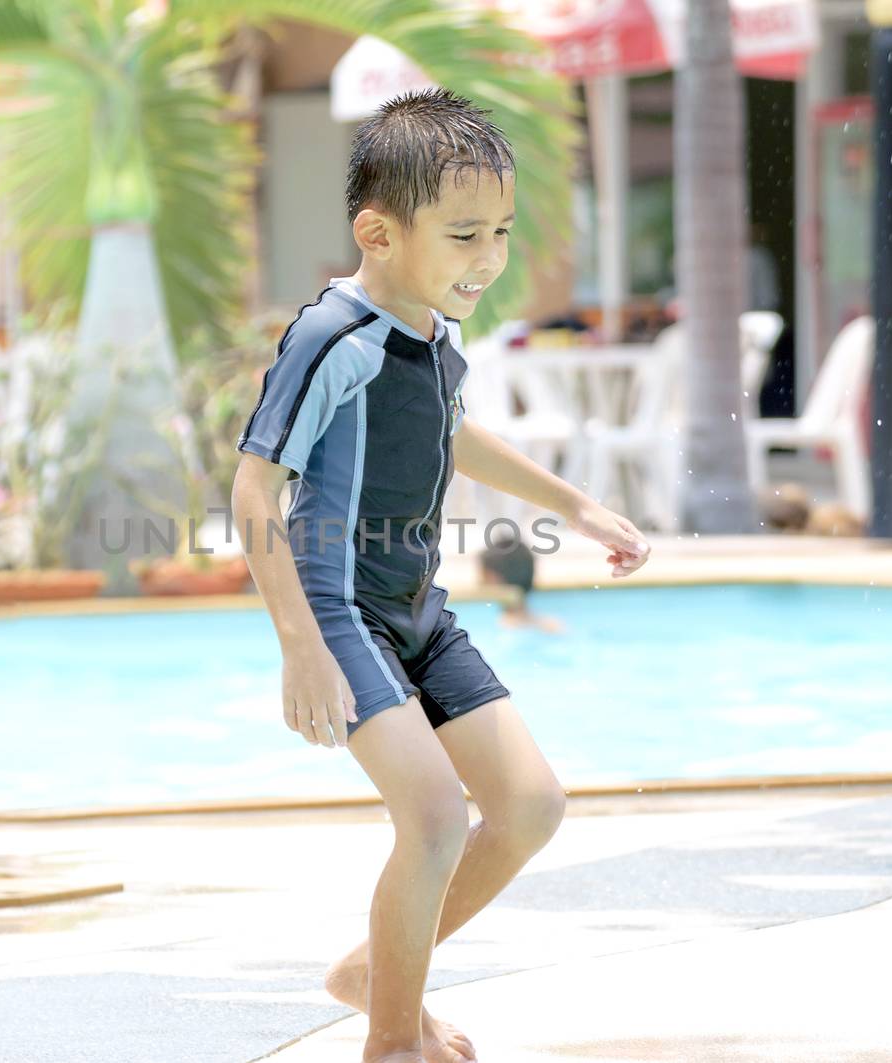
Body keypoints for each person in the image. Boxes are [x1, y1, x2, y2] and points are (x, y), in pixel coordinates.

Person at [229, 88, 650, 1063]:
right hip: (341, 615)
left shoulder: (432, 331)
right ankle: (391, 1040)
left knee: (531, 806)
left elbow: (455, 435)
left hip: (418, 613)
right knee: (428, 816)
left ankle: (374, 975)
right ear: (377, 231)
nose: (490, 259)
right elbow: (253, 486)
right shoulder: (331, 336)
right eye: (464, 235)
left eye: (500, 231)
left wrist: (576, 508)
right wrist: (300, 648)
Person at [479, 532, 564, 634]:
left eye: (484, 577)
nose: (480, 583)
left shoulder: (501, 626)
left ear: (495, 579)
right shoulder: (553, 625)